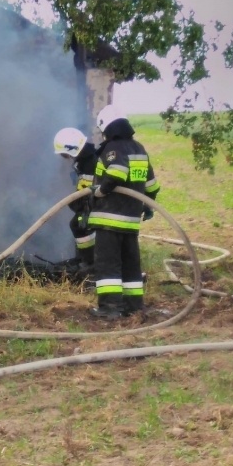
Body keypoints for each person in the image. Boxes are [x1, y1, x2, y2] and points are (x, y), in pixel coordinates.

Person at [87, 105, 161, 319]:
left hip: (109, 219)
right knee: (130, 265)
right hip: (130, 221)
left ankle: (110, 308)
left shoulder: (113, 149)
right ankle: (133, 306)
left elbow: (117, 173)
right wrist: (147, 205)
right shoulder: (139, 148)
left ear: (106, 127)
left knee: (108, 265)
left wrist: (99, 191)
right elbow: (152, 185)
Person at [53, 127, 98, 271]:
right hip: (95, 202)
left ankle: (90, 262)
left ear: (71, 149)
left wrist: (76, 205)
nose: (65, 158)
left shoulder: (88, 163)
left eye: (65, 154)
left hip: (100, 205)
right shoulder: (87, 159)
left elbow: (84, 193)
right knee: (78, 223)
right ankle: (85, 258)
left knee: (78, 225)